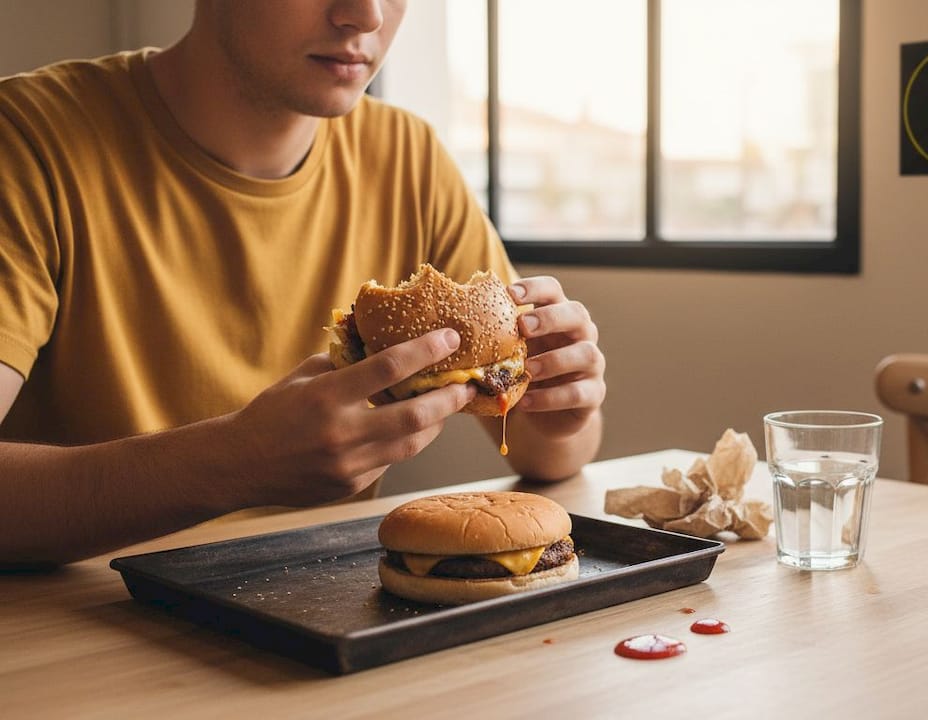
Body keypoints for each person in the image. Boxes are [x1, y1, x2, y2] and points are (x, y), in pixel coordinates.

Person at [0, 0, 606, 566]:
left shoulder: (409, 156)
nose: (365, 15)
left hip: (331, 616)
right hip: (79, 629)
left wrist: (559, 416)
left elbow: (547, 453)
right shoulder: (27, 141)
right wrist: (231, 463)